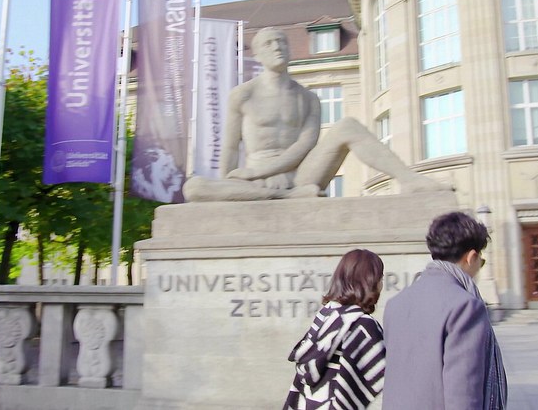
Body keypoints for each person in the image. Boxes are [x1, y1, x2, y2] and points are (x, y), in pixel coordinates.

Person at [184, 27, 448, 202]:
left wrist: (258, 173)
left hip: (300, 176)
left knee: (348, 125)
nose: (277, 47)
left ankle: (409, 179)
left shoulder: (308, 98)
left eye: (282, 41)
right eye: (268, 43)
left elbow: (304, 146)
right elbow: (230, 148)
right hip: (255, 180)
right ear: (259, 55)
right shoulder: (243, 95)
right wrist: (230, 188)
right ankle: (284, 197)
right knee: (193, 187)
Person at [382, 211, 507, 410]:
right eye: (481, 262)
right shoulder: (465, 306)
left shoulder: (396, 304)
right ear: (471, 257)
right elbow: (463, 396)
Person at [283, 249, 386, 410]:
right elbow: (382, 381)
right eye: (380, 278)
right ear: (370, 282)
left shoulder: (326, 316)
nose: (381, 284)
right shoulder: (363, 325)